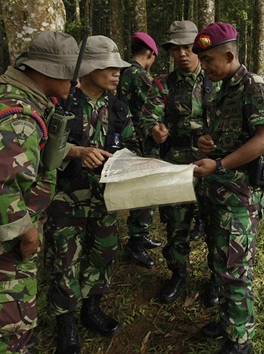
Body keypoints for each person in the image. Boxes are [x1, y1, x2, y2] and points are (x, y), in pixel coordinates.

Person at [0, 31, 83, 354]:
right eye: (71, 74)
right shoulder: (21, 118)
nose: (76, 83)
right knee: (6, 330)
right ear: (50, 71)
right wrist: (27, 234)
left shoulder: (2, 89)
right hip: (0, 242)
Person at [44, 35, 134, 354]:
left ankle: (91, 308)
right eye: (110, 67)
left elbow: (130, 144)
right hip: (65, 196)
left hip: (104, 196)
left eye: (118, 68)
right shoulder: (62, 103)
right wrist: (77, 152)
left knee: (104, 251)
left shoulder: (118, 107)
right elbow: (43, 145)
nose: (116, 73)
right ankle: (65, 322)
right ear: (90, 68)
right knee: (65, 258)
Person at [192, 22, 264, 354]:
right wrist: (207, 144)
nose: (205, 66)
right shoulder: (221, 91)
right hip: (218, 193)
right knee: (219, 264)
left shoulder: (254, 88)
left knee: (235, 271)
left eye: (209, 60)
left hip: (239, 198)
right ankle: (228, 322)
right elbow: (223, 140)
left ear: (229, 56)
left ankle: (240, 341)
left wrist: (222, 164)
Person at [140, 20, 218, 305]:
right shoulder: (164, 83)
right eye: (176, 49)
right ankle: (178, 272)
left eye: (187, 48)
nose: (183, 54)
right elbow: (148, 114)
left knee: (215, 224)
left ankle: (216, 280)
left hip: (210, 165)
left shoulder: (215, 80)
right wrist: (154, 128)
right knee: (176, 223)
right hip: (175, 163)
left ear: (198, 48)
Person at [117, 32, 163, 269]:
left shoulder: (122, 71)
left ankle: (139, 235)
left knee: (141, 191)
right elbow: (154, 105)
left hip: (128, 141)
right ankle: (135, 242)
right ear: (150, 54)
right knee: (146, 191)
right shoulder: (139, 75)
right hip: (142, 142)